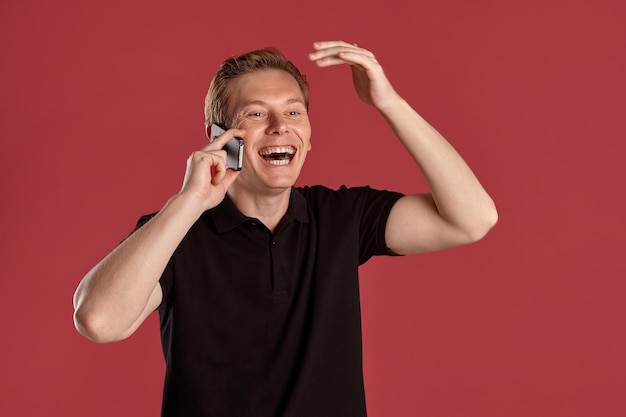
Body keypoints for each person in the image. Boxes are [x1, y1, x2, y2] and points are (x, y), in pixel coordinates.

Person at [73, 40, 497, 416]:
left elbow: (473, 219)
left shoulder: (341, 215)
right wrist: (188, 202)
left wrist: (389, 103)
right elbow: (99, 321)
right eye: (256, 113)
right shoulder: (175, 232)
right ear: (220, 136)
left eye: (294, 111)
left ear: (309, 135)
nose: (280, 126)